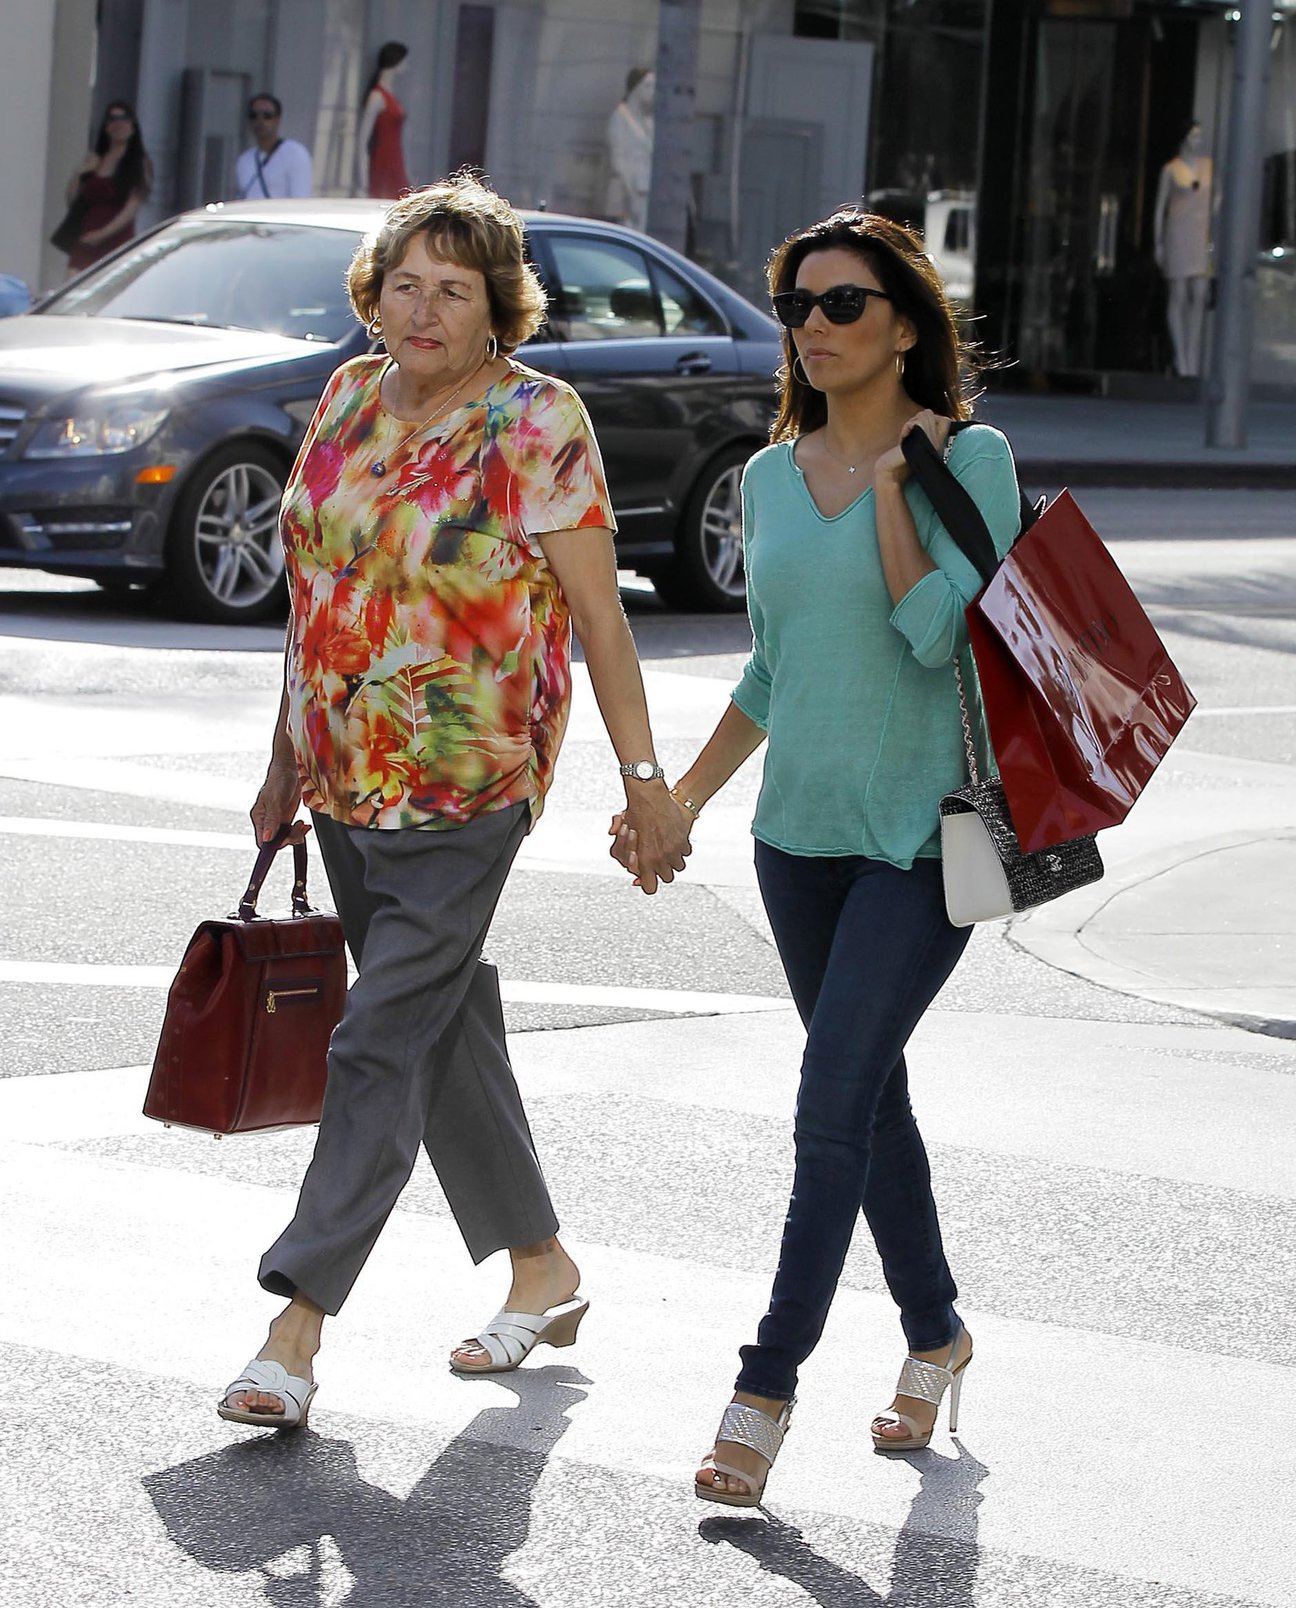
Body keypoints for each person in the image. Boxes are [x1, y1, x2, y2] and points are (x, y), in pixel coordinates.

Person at [218, 171, 691, 1430]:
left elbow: (599, 620)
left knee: (378, 1040)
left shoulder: (539, 422)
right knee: (441, 1025)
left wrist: (648, 787)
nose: (423, 310)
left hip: (469, 777)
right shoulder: (346, 397)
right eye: (405, 284)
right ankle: (541, 1265)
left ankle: (295, 1327)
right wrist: (281, 763)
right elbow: (311, 600)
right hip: (341, 773)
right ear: (374, 293)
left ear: (500, 312)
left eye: (456, 291)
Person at [612, 208, 1021, 1504]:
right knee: (869, 1097)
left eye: (843, 304)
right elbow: (775, 669)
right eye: (796, 306)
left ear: (906, 320)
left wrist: (902, 479)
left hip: (930, 844)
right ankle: (938, 1334)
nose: (815, 328)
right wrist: (673, 798)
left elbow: (927, 636)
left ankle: (764, 1384)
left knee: (829, 1104)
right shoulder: (770, 478)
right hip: (798, 844)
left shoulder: (977, 461)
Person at [61, 101, 152, 274]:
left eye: (124, 119)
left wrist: (102, 234)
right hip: (86, 237)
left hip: (116, 238)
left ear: (132, 127)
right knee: (73, 285)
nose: (118, 124)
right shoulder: (95, 159)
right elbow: (73, 201)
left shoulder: (139, 163)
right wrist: (79, 175)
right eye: (113, 119)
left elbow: (131, 209)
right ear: (106, 126)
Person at [1154, 121, 1214, 378]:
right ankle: (1182, 358)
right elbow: (1160, 207)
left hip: (1199, 234)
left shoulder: (1208, 166)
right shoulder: (1171, 169)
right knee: (1178, 294)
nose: (1197, 140)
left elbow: (1217, 198)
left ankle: (1193, 356)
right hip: (1178, 233)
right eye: (1194, 135)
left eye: (1200, 135)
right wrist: (1158, 242)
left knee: (1199, 293)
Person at [358, 41, 411, 199]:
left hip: (396, 159)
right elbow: (362, 141)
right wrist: (363, 181)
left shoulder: (390, 96)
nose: (407, 65)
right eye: (404, 60)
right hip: (383, 161)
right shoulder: (377, 97)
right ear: (396, 61)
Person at [235, 94, 313, 200]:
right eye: (253, 115)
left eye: (267, 116)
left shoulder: (295, 154)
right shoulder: (244, 160)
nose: (260, 121)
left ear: (277, 119)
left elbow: (300, 200)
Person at [605, 67, 655, 231]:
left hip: (645, 190)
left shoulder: (649, 120)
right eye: (647, 86)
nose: (652, 91)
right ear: (636, 87)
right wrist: (631, 194)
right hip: (628, 193)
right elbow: (617, 160)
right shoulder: (620, 118)